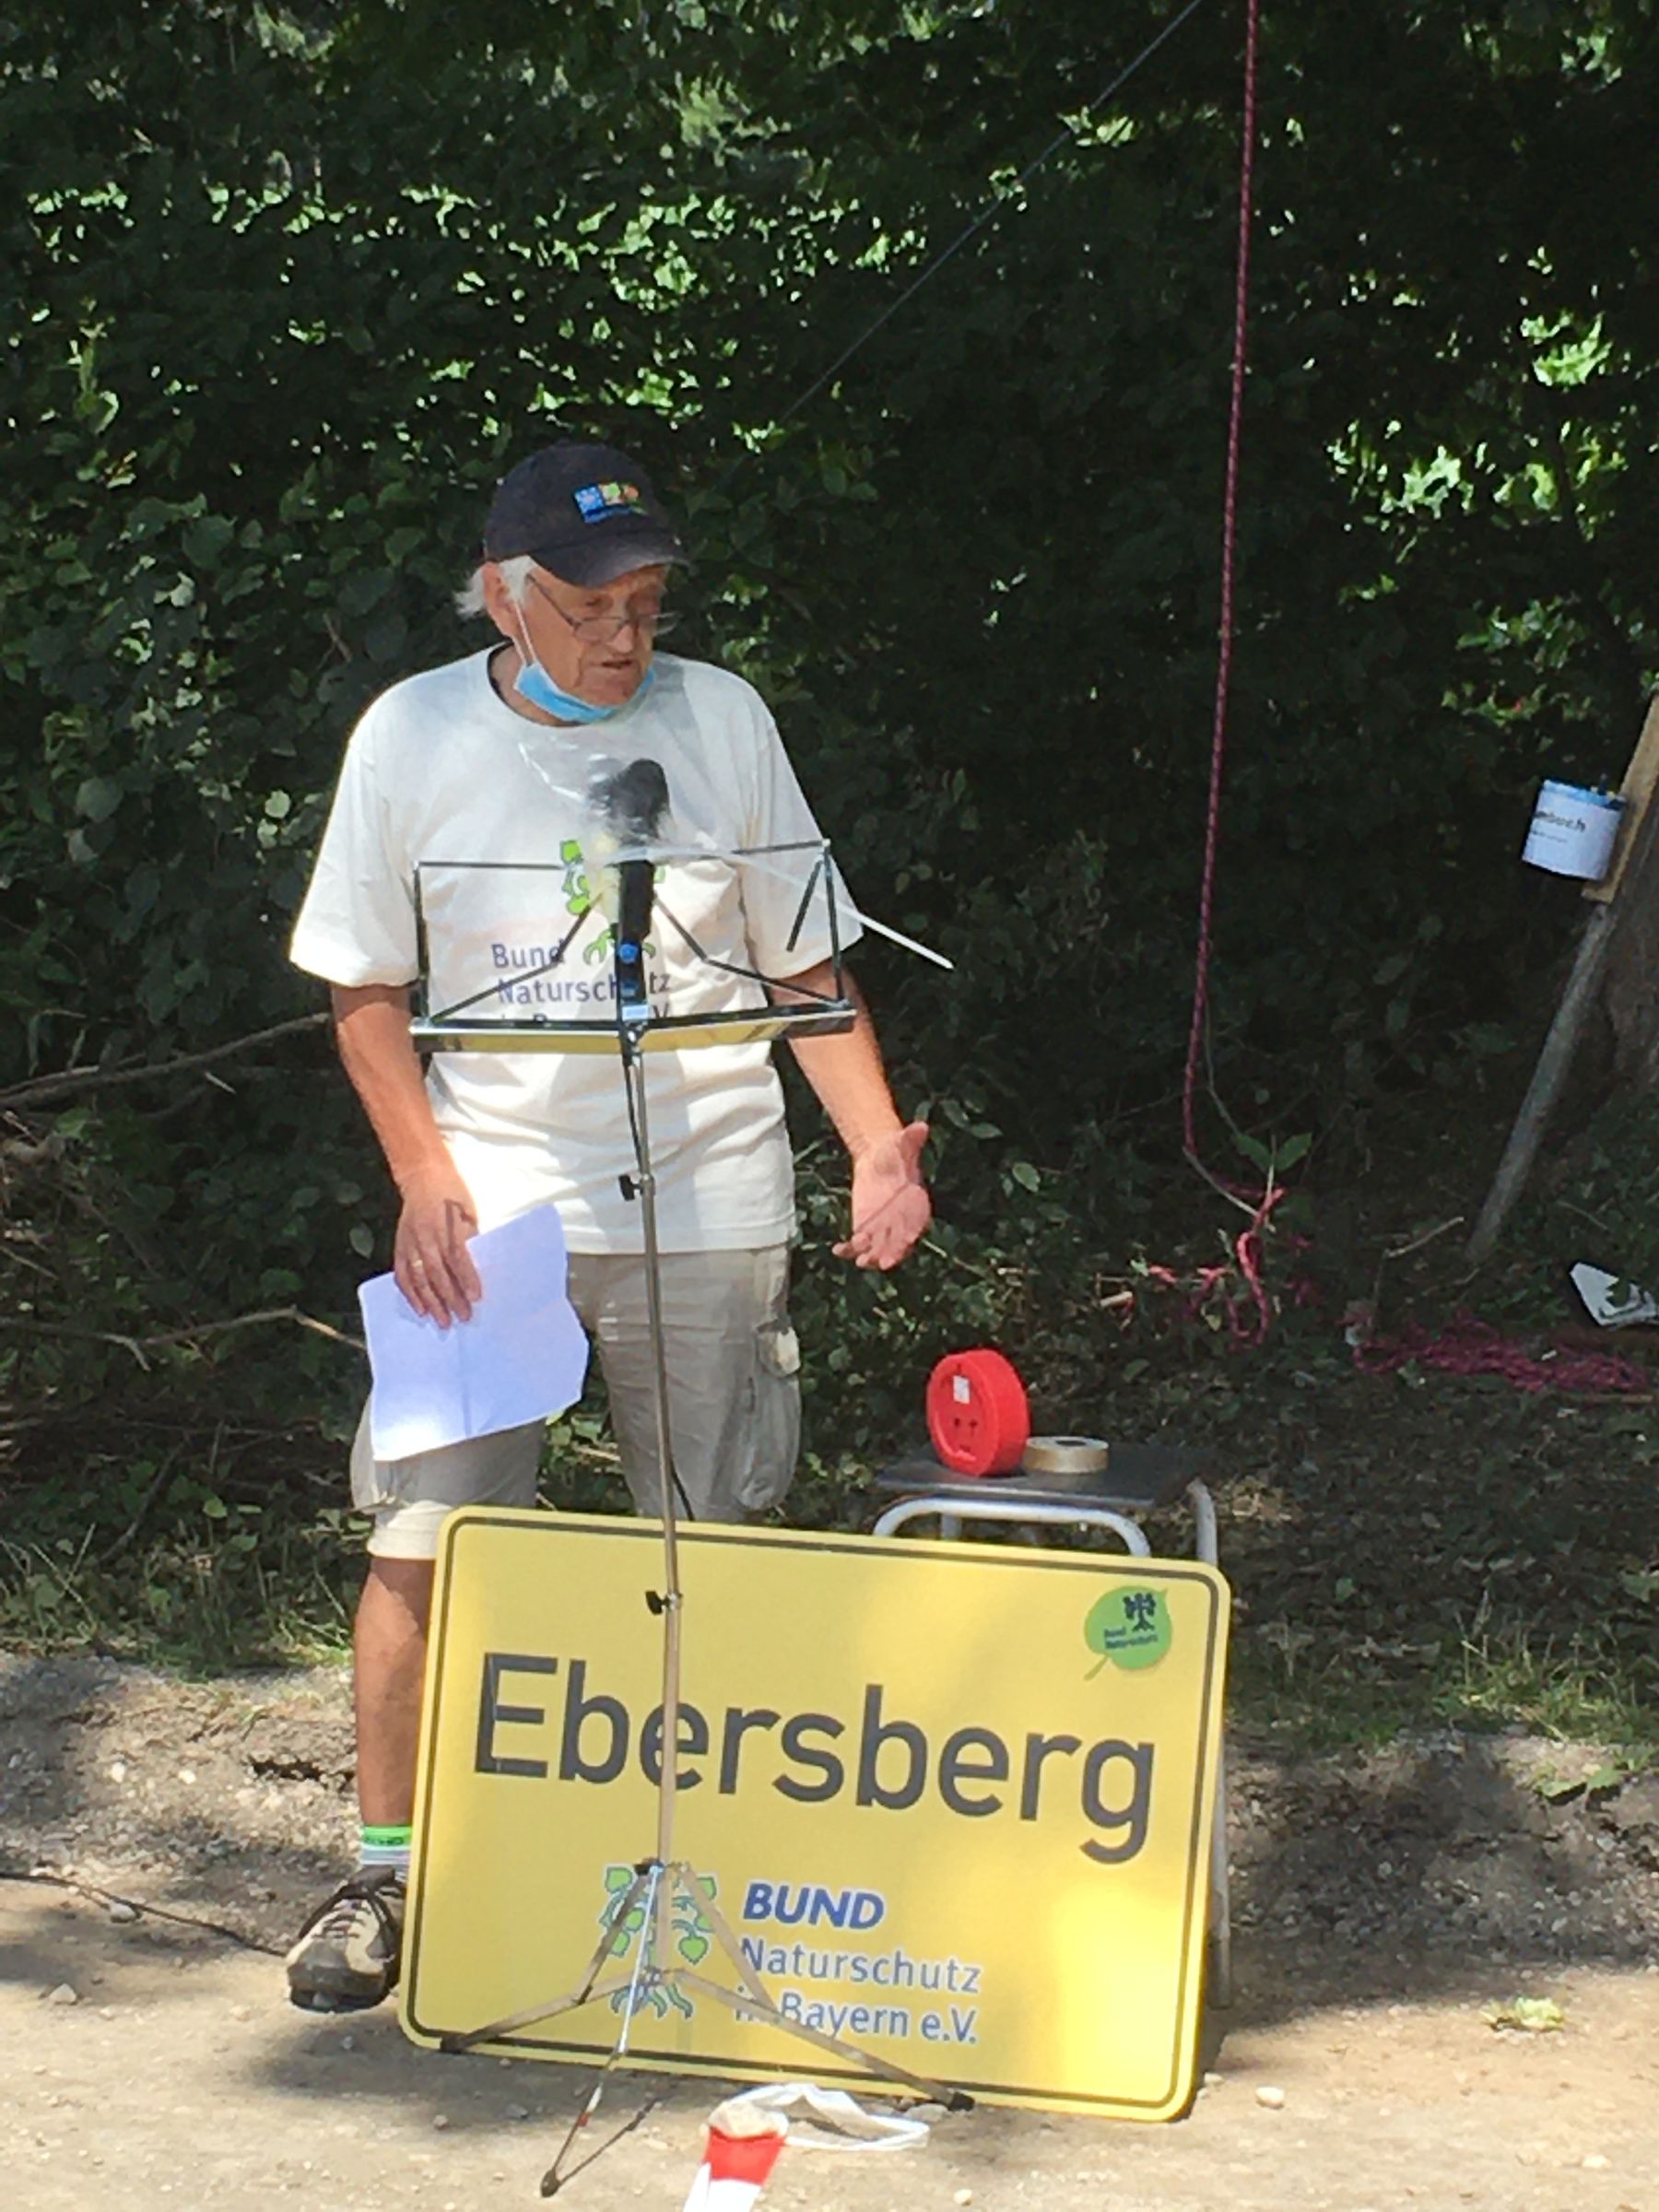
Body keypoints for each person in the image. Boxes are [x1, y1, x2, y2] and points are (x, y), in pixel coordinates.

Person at [281, 440, 931, 2012]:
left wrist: (876, 1152)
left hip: (710, 1188)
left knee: (714, 1548)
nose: (625, 637)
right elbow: (364, 989)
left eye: (646, 601)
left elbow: (806, 967)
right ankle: (388, 1874)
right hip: (493, 1205)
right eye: (590, 606)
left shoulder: (727, 721)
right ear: (506, 598)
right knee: (424, 1538)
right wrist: (426, 1174)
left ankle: (701, 1882)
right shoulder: (410, 733)